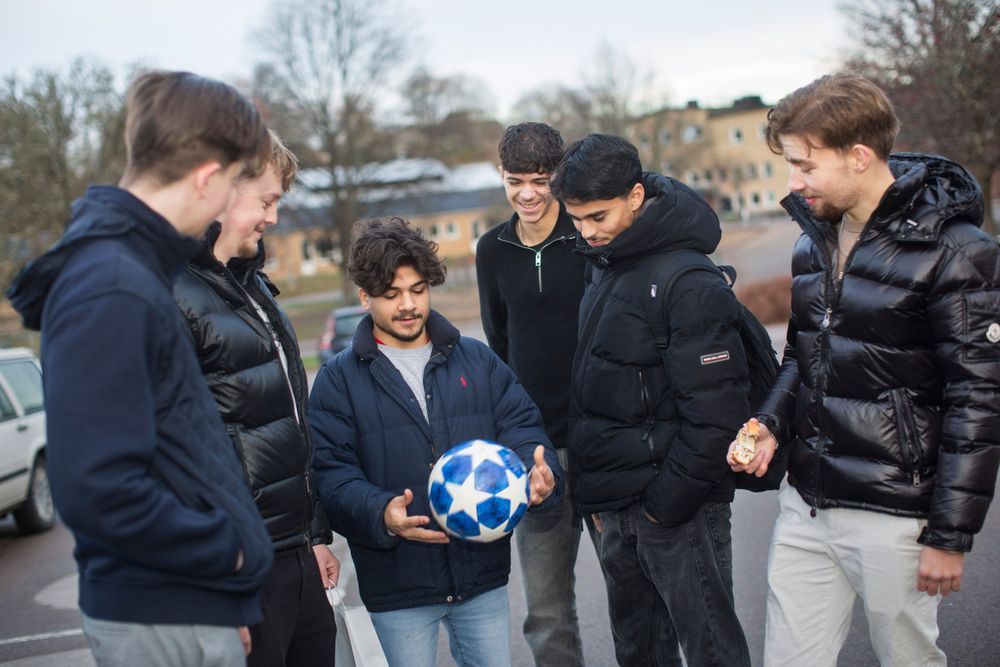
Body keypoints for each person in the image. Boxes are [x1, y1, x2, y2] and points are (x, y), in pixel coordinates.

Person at [728, 72, 1000, 666]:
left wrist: (951, 536)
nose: (794, 184)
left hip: (895, 513)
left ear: (857, 156)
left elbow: (977, 398)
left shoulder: (956, 253)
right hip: (808, 502)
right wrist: (772, 423)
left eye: (805, 165)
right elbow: (802, 352)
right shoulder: (812, 243)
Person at [5, 71, 274, 666]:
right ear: (207, 175)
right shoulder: (112, 288)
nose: (238, 202)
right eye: (234, 182)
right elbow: (96, 489)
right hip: (163, 616)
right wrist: (223, 554)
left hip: (185, 608)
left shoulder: (130, 271)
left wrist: (219, 600)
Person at [308, 216, 564, 667]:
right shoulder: (337, 381)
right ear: (365, 296)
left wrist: (536, 473)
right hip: (398, 583)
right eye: (391, 295)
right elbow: (331, 474)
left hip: (480, 575)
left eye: (418, 290)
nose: (408, 305)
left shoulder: (477, 359)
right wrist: (380, 513)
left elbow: (523, 427)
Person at [550, 134, 752, 666]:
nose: (586, 232)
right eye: (576, 219)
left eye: (598, 216)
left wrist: (662, 511)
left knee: (712, 651)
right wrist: (598, 499)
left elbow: (717, 416)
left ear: (636, 196)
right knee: (640, 654)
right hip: (616, 506)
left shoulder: (687, 279)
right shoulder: (606, 260)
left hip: (675, 507)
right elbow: (597, 390)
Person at [172, 129, 340, 666]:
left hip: (293, 556)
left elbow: (289, 419)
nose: (273, 218)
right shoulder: (167, 295)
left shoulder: (256, 287)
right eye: (266, 201)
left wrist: (314, 534)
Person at [475, 121, 590, 666]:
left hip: (605, 442)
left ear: (559, 177)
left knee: (639, 596)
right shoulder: (491, 251)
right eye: (514, 179)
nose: (526, 193)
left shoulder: (588, 233)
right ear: (500, 176)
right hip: (537, 455)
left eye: (540, 180)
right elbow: (499, 346)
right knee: (546, 614)